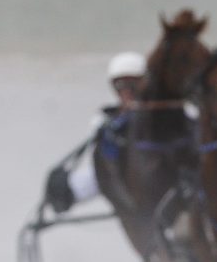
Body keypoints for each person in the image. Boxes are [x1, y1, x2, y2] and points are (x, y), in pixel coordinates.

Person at [45, 51, 146, 213]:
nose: (127, 91)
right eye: (120, 86)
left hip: (154, 169)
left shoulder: (160, 114)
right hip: (115, 170)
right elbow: (104, 155)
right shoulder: (105, 118)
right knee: (59, 185)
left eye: (133, 84)